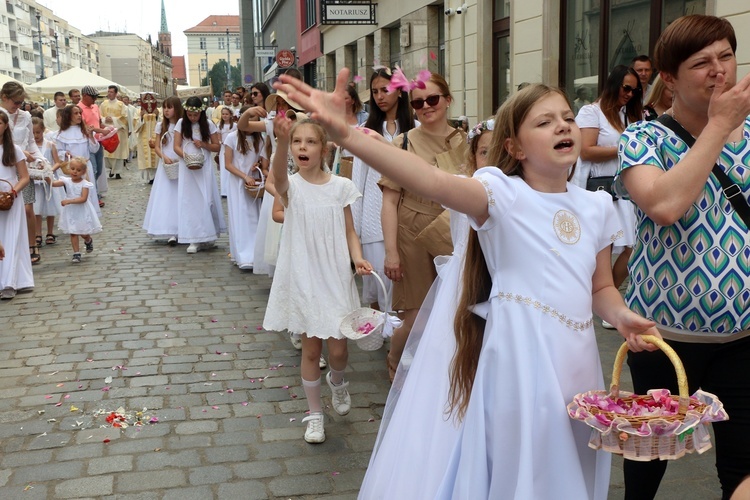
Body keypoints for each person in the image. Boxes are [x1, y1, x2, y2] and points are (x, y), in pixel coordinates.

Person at [276, 70, 663, 499]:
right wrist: (346, 134)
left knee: (569, 464)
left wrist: (623, 316)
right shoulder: (500, 193)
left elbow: (600, 289)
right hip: (519, 358)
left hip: (576, 359)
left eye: (567, 117)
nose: (562, 126)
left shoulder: (596, 206)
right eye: (544, 121)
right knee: (521, 469)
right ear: (514, 146)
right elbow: (429, 179)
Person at [616, 15, 750, 500]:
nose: (719, 70)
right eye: (701, 63)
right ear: (668, 78)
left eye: (726, 56)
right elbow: (665, 206)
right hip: (664, 341)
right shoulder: (644, 139)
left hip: (743, 337)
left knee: (741, 465)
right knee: (647, 467)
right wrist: (718, 126)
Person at [360, 118, 494, 498]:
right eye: (485, 151)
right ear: (472, 158)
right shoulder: (470, 195)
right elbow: (426, 182)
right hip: (468, 299)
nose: (494, 159)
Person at [262, 116, 372, 444]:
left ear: (323, 149)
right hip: (304, 275)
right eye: (297, 142)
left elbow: (350, 230)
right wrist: (280, 142)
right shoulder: (291, 187)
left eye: (310, 142)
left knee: (338, 351)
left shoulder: (341, 187)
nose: (302, 147)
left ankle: (337, 382)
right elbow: (278, 177)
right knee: (311, 352)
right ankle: (314, 415)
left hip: (335, 275)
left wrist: (358, 258)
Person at [379, 71, 468, 381]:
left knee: (452, 310)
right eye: (418, 103)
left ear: (447, 100)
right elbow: (389, 201)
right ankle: (394, 359)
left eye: (433, 99)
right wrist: (391, 252)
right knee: (417, 313)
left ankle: (439, 372)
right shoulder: (401, 142)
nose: (426, 107)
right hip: (411, 230)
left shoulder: (465, 141)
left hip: (452, 229)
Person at [575, 65, 643, 314]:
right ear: (614, 84)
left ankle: (606, 300)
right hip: (599, 189)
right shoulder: (591, 112)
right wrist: (624, 148)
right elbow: (586, 150)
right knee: (596, 249)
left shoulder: (627, 114)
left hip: (625, 189)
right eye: (626, 88)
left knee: (631, 246)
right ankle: (599, 300)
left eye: (635, 91)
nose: (630, 94)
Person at [352, 67, 418, 312]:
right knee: (377, 285)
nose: (379, 96)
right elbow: (357, 182)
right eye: (375, 91)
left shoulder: (416, 130)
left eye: (385, 90)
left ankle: (402, 339)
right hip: (373, 217)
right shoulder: (365, 133)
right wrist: (356, 231)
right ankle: (379, 335)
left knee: (408, 286)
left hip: (410, 217)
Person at [173, 96, 226, 254]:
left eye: (195, 115)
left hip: (204, 166)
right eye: (190, 114)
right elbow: (176, 146)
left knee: (206, 199)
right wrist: (186, 156)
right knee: (190, 200)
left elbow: (217, 147)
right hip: (187, 166)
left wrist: (203, 144)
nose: (192, 118)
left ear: (201, 113)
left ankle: (207, 235)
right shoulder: (181, 124)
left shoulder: (208, 124)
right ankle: (193, 237)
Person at [0, 81, 43, 266]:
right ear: (4, 98)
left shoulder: (25, 115)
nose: (18, 106)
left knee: (27, 208)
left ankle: (32, 244)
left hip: (24, 166)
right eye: (15, 102)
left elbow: (31, 141)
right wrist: (19, 151)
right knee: (6, 208)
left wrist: (41, 159)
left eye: (21, 102)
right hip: (6, 165)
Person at [223, 107, 267, 269]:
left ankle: (255, 254)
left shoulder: (260, 139)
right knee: (240, 216)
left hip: (253, 182)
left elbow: (261, 160)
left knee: (254, 217)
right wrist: (244, 176)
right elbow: (228, 164)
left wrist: (258, 166)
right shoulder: (231, 138)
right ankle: (242, 255)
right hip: (237, 182)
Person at [0, 109, 32, 300]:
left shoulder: (15, 150)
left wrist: (12, 192)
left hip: (11, 196)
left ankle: (10, 281)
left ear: (5, 126)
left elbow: (25, 177)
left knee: (11, 238)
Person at [143, 97, 183, 244]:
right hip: (166, 163)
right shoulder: (161, 126)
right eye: (164, 107)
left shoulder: (182, 125)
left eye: (170, 107)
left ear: (177, 109)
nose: (166, 110)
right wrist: (163, 157)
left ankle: (182, 227)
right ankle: (169, 229)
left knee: (180, 194)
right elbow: (158, 146)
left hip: (180, 162)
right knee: (167, 196)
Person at [49, 156, 101, 264]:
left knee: (83, 232)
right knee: (73, 231)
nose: (75, 172)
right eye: (72, 169)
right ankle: (76, 253)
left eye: (78, 170)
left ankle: (88, 240)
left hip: (81, 210)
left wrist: (69, 201)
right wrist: (45, 175)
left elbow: (83, 198)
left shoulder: (85, 184)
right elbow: (53, 184)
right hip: (71, 211)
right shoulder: (66, 181)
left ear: (83, 171)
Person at [56, 105, 102, 220]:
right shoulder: (62, 134)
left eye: (80, 113)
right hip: (73, 170)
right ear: (68, 116)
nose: (79, 116)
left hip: (86, 167)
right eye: (75, 113)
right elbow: (59, 152)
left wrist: (91, 136)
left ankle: (89, 217)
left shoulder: (84, 131)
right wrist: (66, 155)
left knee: (88, 192)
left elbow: (94, 149)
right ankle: (75, 217)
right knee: (75, 193)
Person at [31, 118, 62, 247]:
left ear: (43, 131)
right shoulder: (30, 148)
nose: (35, 135)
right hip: (36, 181)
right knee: (36, 208)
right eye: (33, 133)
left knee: (50, 207)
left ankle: (50, 232)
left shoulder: (50, 145)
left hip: (48, 180)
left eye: (38, 132)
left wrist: (49, 170)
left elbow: (58, 162)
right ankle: (38, 233)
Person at [77, 86, 107, 207]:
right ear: (84, 96)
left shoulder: (95, 107)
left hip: (98, 141)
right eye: (93, 97)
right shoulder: (79, 108)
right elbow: (84, 126)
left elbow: (99, 122)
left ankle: (92, 193)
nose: (95, 99)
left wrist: (107, 128)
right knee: (93, 169)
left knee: (99, 169)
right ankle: (95, 196)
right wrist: (100, 130)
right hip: (87, 141)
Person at [99, 85, 129, 180]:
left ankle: (117, 172)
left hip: (118, 131)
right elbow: (99, 116)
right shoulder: (103, 104)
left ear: (116, 93)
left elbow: (124, 118)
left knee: (118, 153)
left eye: (111, 92)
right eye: (108, 92)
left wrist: (113, 119)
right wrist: (104, 119)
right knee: (107, 152)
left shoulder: (121, 105)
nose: (109, 93)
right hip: (107, 131)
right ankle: (111, 168)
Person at [217, 106, 237, 197]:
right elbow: (218, 135)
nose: (224, 116)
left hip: (232, 148)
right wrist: (220, 142)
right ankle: (224, 190)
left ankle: (232, 188)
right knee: (224, 168)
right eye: (223, 114)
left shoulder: (235, 126)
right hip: (223, 148)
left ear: (230, 115)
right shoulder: (219, 125)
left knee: (232, 166)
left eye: (226, 114)